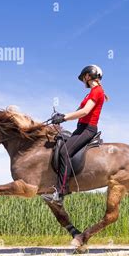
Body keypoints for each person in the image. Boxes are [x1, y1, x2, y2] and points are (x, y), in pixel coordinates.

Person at [46, 64, 108, 204]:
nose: (83, 81)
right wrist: (61, 116)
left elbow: (85, 112)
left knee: (64, 151)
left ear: (88, 75)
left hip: (87, 129)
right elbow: (78, 110)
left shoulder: (97, 91)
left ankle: (61, 192)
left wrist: (64, 117)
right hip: (80, 128)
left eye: (83, 77)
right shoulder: (90, 93)